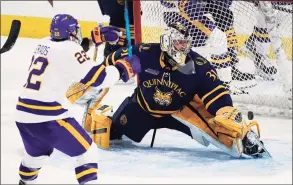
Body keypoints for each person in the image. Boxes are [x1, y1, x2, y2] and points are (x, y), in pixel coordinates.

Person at [89, 22, 270, 159]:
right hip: (142, 107)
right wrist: (110, 47)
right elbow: (109, 66)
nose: (183, 48)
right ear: (166, 42)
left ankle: (247, 139)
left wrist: (225, 111)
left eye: (185, 43)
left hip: (183, 111)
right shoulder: (145, 54)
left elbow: (216, 93)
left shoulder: (198, 65)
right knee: (107, 134)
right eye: (178, 44)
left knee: (228, 133)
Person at [15, 14, 141, 185]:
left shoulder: (43, 43)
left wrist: (94, 41)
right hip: (49, 117)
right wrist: (122, 69)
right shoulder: (70, 50)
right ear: (71, 32)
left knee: (35, 156)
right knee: (87, 153)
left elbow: (67, 56)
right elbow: (98, 78)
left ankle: (24, 182)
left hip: (23, 115)